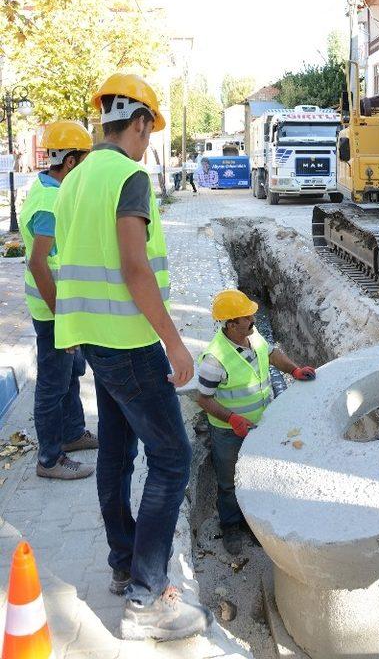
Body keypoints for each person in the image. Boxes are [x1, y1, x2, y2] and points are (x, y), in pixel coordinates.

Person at [53, 73, 211, 642]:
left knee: (117, 453)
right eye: (150, 130)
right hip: (130, 341)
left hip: (93, 338)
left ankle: (125, 564)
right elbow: (133, 265)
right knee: (172, 458)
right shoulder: (129, 175)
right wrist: (173, 340)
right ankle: (147, 598)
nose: (150, 142)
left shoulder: (74, 180)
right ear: (139, 121)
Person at [197, 289, 316, 556]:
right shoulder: (214, 359)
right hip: (229, 432)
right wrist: (232, 418)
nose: (253, 320)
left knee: (257, 477)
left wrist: (294, 369)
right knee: (229, 481)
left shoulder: (254, 336)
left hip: (260, 425)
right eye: (247, 318)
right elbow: (203, 399)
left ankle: (252, 523)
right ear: (231, 324)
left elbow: (272, 354)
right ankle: (230, 526)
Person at [18, 121, 97, 481]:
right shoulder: (50, 202)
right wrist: (61, 316)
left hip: (61, 308)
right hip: (53, 312)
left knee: (71, 372)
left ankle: (72, 433)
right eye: (82, 159)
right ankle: (50, 459)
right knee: (53, 383)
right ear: (69, 161)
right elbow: (38, 262)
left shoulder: (51, 188)